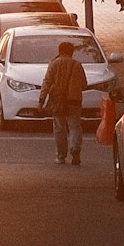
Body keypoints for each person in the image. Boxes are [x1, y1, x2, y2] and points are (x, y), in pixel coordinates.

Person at [39, 34, 92, 166]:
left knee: (59, 128)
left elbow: (46, 82)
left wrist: (41, 100)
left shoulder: (54, 64)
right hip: (75, 101)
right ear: (72, 52)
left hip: (58, 101)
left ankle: (61, 156)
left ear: (59, 51)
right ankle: (75, 148)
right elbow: (84, 84)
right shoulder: (77, 65)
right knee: (75, 126)